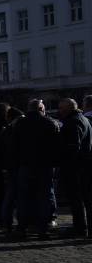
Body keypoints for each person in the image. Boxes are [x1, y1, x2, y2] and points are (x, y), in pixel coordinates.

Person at [11, 99, 60, 238]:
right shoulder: (50, 123)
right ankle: (43, 228)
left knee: (24, 197)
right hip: (45, 165)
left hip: (25, 164)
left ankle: (22, 227)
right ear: (40, 108)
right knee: (44, 196)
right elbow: (57, 146)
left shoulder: (19, 123)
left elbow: (14, 146)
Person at [58, 98, 92, 238]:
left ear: (67, 109)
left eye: (61, 109)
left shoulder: (73, 122)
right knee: (86, 198)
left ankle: (80, 228)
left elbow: (73, 146)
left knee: (77, 199)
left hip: (76, 167)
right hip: (85, 165)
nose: (59, 111)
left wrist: (66, 162)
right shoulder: (84, 119)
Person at [0, 107, 25, 235]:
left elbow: (1, 151)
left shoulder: (7, 130)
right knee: (19, 197)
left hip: (11, 167)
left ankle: (7, 223)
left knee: (10, 196)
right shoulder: (20, 129)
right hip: (20, 166)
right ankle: (20, 223)